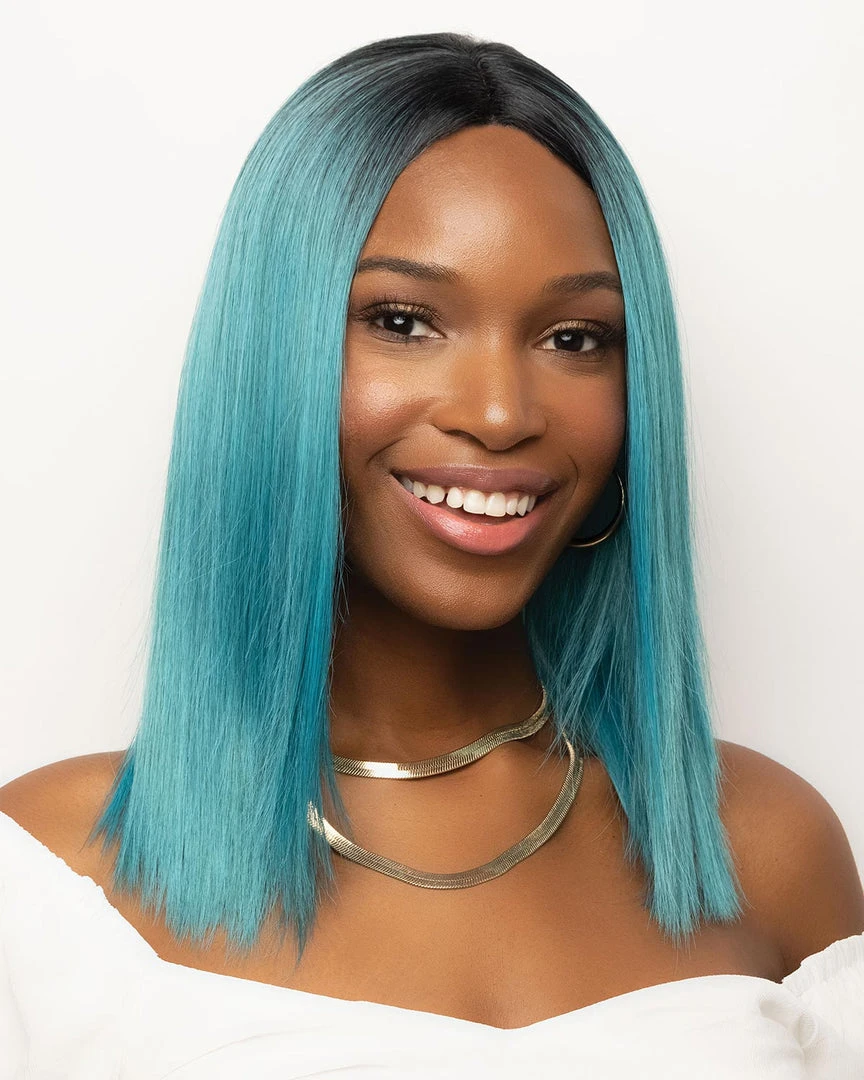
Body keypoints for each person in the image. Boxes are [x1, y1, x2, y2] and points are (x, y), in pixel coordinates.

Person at [1, 30, 863, 1079]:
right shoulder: (51, 882)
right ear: (274, 357)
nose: (501, 414)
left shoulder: (767, 849)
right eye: (404, 321)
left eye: (575, 338)